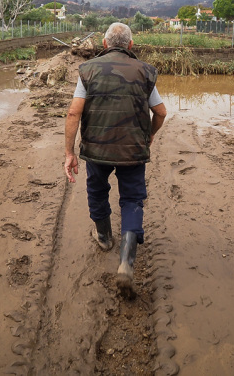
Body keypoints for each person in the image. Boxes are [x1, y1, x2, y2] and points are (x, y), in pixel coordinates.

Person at [64, 22, 167, 297]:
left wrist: (69, 153)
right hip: (132, 150)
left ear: (105, 43)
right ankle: (126, 260)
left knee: (97, 191)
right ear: (130, 45)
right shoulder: (145, 71)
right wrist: (150, 136)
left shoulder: (88, 71)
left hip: (97, 151)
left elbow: (74, 113)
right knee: (132, 199)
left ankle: (104, 237)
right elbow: (160, 112)